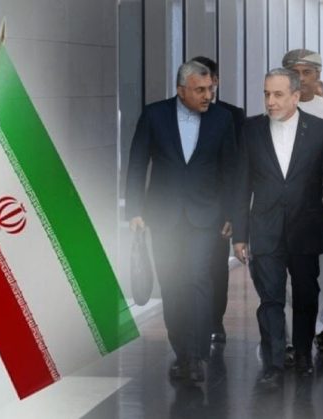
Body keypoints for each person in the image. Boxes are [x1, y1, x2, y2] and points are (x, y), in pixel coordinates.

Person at [233, 68, 323, 385]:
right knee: (270, 299)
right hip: (264, 228)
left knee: (306, 295)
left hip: (306, 228)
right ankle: (273, 363)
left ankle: (302, 353)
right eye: (266, 94)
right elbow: (241, 185)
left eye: (278, 94)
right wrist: (240, 235)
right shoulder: (251, 130)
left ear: (296, 96)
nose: (270, 101)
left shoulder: (320, 130)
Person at [125, 60, 237, 383]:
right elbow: (137, 163)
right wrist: (134, 210)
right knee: (172, 282)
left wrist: (231, 213)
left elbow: (231, 169)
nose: (207, 96)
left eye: (210, 89)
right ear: (180, 90)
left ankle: (198, 355)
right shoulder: (154, 115)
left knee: (200, 278)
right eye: (200, 90)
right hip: (163, 216)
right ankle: (182, 353)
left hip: (206, 216)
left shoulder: (222, 119)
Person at [282, 49, 323, 353]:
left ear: (318, 75)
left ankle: (319, 325)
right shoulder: (276, 107)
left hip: (322, 211)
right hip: (285, 212)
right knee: (288, 278)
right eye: (294, 73)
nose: (301, 79)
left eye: (306, 72)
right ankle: (289, 335)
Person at [190, 56, 247, 345]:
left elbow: (236, 170)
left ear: (216, 81)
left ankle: (214, 321)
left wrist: (232, 214)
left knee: (215, 268)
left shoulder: (232, 116)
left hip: (216, 210)